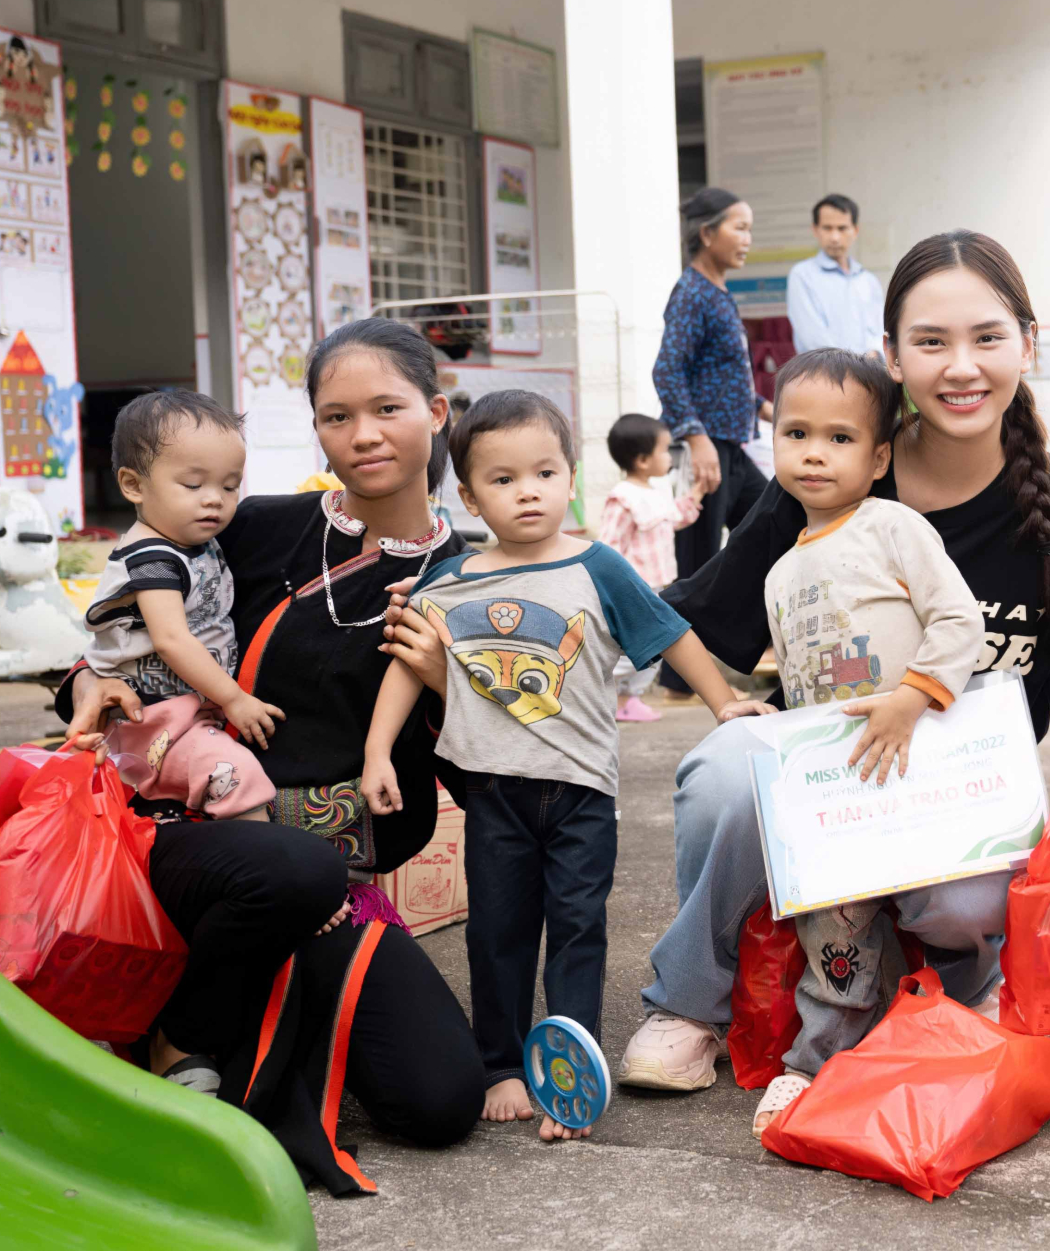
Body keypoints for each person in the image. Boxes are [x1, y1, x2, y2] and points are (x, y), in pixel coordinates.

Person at [609, 229, 1050, 1119]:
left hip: (961, 801)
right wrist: (721, 700)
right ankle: (690, 1006)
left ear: (1026, 344)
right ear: (890, 354)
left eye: (986, 337)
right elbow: (689, 612)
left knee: (969, 904)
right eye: (930, 342)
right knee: (721, 775)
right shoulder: (836, 469)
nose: (961, 366)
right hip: (839, 777)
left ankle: (936, 981)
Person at [60, 318, 486, 1197]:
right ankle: (187, 1030)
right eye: (336, 416)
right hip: (190, 836)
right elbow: (132, 635)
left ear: (436, 413)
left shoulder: (475, 579)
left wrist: (449, 682)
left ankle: (212, 997)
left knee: (441, 1099)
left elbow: (502, 774)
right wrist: (83, 688)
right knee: (287, 868)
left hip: (332, 883)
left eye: (386, 409)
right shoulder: (249, 527)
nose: (361, 434)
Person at [363, 390, 767, 1142]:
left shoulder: (597, 566)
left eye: (545, 473)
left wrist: (722, 702)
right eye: (505, 479)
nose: (528, 493)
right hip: (491, 793)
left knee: (578, 928)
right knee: (496, 933)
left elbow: (670, 632)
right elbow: (406, 667)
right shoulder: (447, 580)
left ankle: (569, 1073)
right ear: (469, 492)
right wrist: (377, 751)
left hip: (581, 793)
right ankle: (502, 1067)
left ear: (570, 477)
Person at [745, 347, 984, 1134]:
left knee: (949, 908)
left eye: (841, 439)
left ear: (880, 457)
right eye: (797, 433)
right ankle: (815, 1065)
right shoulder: (780, 574)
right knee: (832, 929)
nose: (814, 452)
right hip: (841, 787)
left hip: (918, 763)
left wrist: (913, 696)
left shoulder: (893, 526)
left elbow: (960, 621)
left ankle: (978, 1007)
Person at [76, 390, 276, 820]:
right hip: (146, 716)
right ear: (133, 485)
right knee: (233, 774)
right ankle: (263, 860)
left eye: (229, 485)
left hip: (181, 711)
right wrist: (234, 699)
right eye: (193, 484)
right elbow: (170, 640)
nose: (214, 499)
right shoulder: (152, 557)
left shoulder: (190, 542)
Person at [653, 187, 762, 699]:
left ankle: (748, 640)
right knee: (694, 563)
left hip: (732, 446)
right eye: (739, 227)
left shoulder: (717, 291)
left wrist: (764, 405)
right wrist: (695, 439)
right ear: (706, 234)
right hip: (707, 449)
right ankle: (678, 675)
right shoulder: (691, 292)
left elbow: (719, 372)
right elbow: (668, 370)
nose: (747, 239)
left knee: (771, 529)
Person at [599, 413, 703, 722]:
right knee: (640, 647)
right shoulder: (623, 498)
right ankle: (597, 680)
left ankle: (627, 701)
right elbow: (609, 545)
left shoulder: (656, 494)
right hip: (633, 589)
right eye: (664, 450)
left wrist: (697, 493)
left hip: (657, 586)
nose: (669, 457)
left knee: (658, 648)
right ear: (643, 460)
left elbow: (678, 517)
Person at [785, 195, 886, 356]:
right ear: (815, 230)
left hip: (871, 374)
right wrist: (853, 366)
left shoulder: (868, 280)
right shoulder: (802, 275)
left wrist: (873, 355)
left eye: (842, 228)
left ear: (855, 230)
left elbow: (881, 330)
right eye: (827, 228)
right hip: (824, 375)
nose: (834, 237)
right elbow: (812, 337)